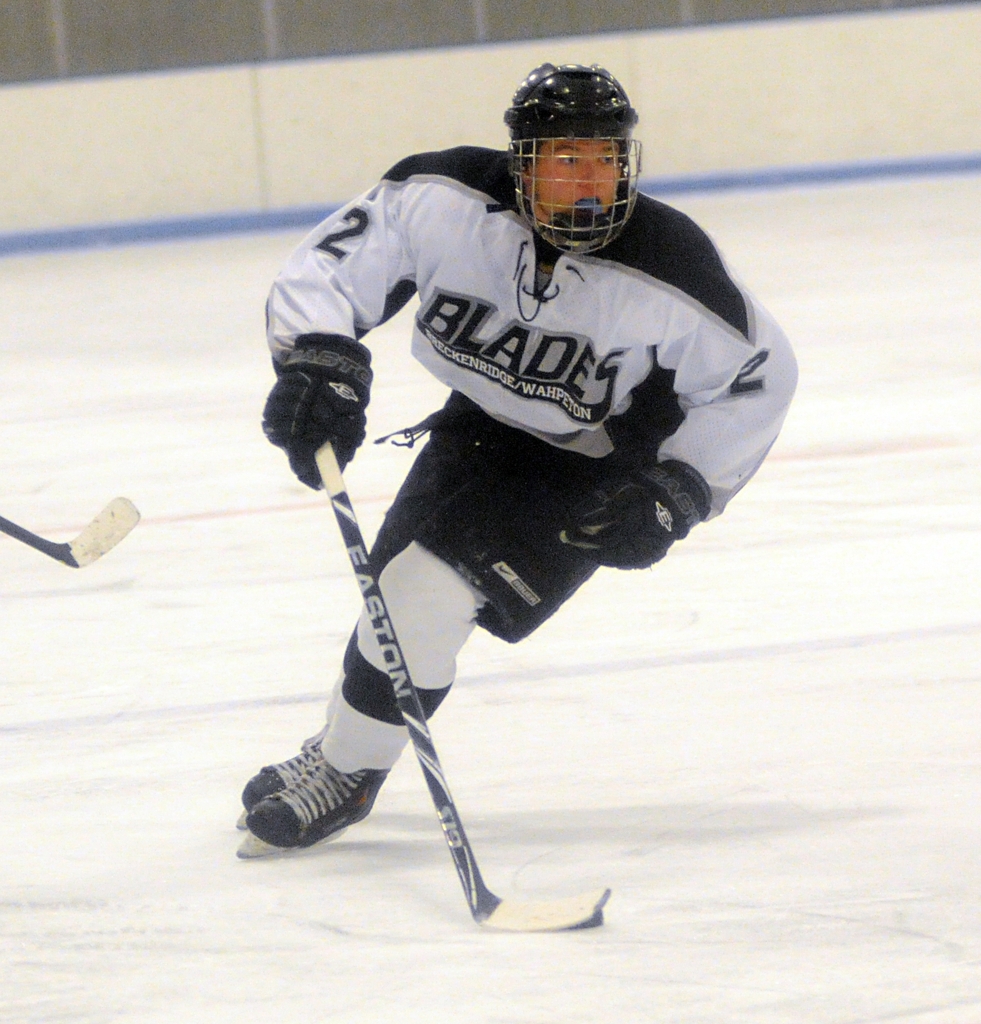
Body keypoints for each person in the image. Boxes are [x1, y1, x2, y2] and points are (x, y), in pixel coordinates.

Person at [238, 62, 797, 855]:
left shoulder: (671, 266)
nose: (588, 181)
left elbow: (757, 377)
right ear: (522, 161)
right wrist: (318, 361)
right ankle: (339, 750)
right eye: (566, 159)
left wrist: (678, 486)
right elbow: (329, 268)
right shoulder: (442, 198)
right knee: (391, 609)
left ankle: (345, 773)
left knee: (419, 598)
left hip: (597, 464)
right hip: (484, 425)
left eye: (604, 160)